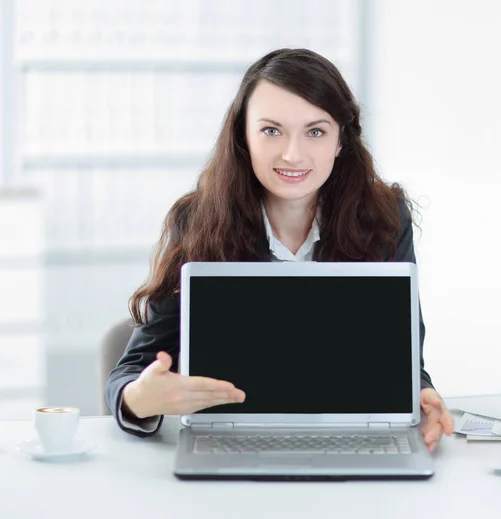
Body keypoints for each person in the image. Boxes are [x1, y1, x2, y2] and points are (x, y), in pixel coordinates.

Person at [105, 47, 454, 452]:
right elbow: (132, 370)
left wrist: (420, 394)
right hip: (231, 444)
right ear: (243, 136)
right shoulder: (198, 219)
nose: (293, 154)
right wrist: (137, 400)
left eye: (316, 131)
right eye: (271, 130)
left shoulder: (385, 217)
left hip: (351, 440)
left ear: (342, 139)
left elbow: (402, 356)